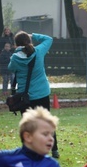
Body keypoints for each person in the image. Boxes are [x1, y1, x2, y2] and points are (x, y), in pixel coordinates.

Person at [9, 31, 60, 159]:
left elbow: (10, 68)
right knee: (46, 122)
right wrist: (33, 35)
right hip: (42, 93)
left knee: (28, 124)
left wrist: (16, 52)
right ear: (29, 41)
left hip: (26, 96)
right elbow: (49, 38)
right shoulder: (38, 51)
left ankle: (30, 149)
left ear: (16, 45)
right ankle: (54, 149)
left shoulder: (15, 58)